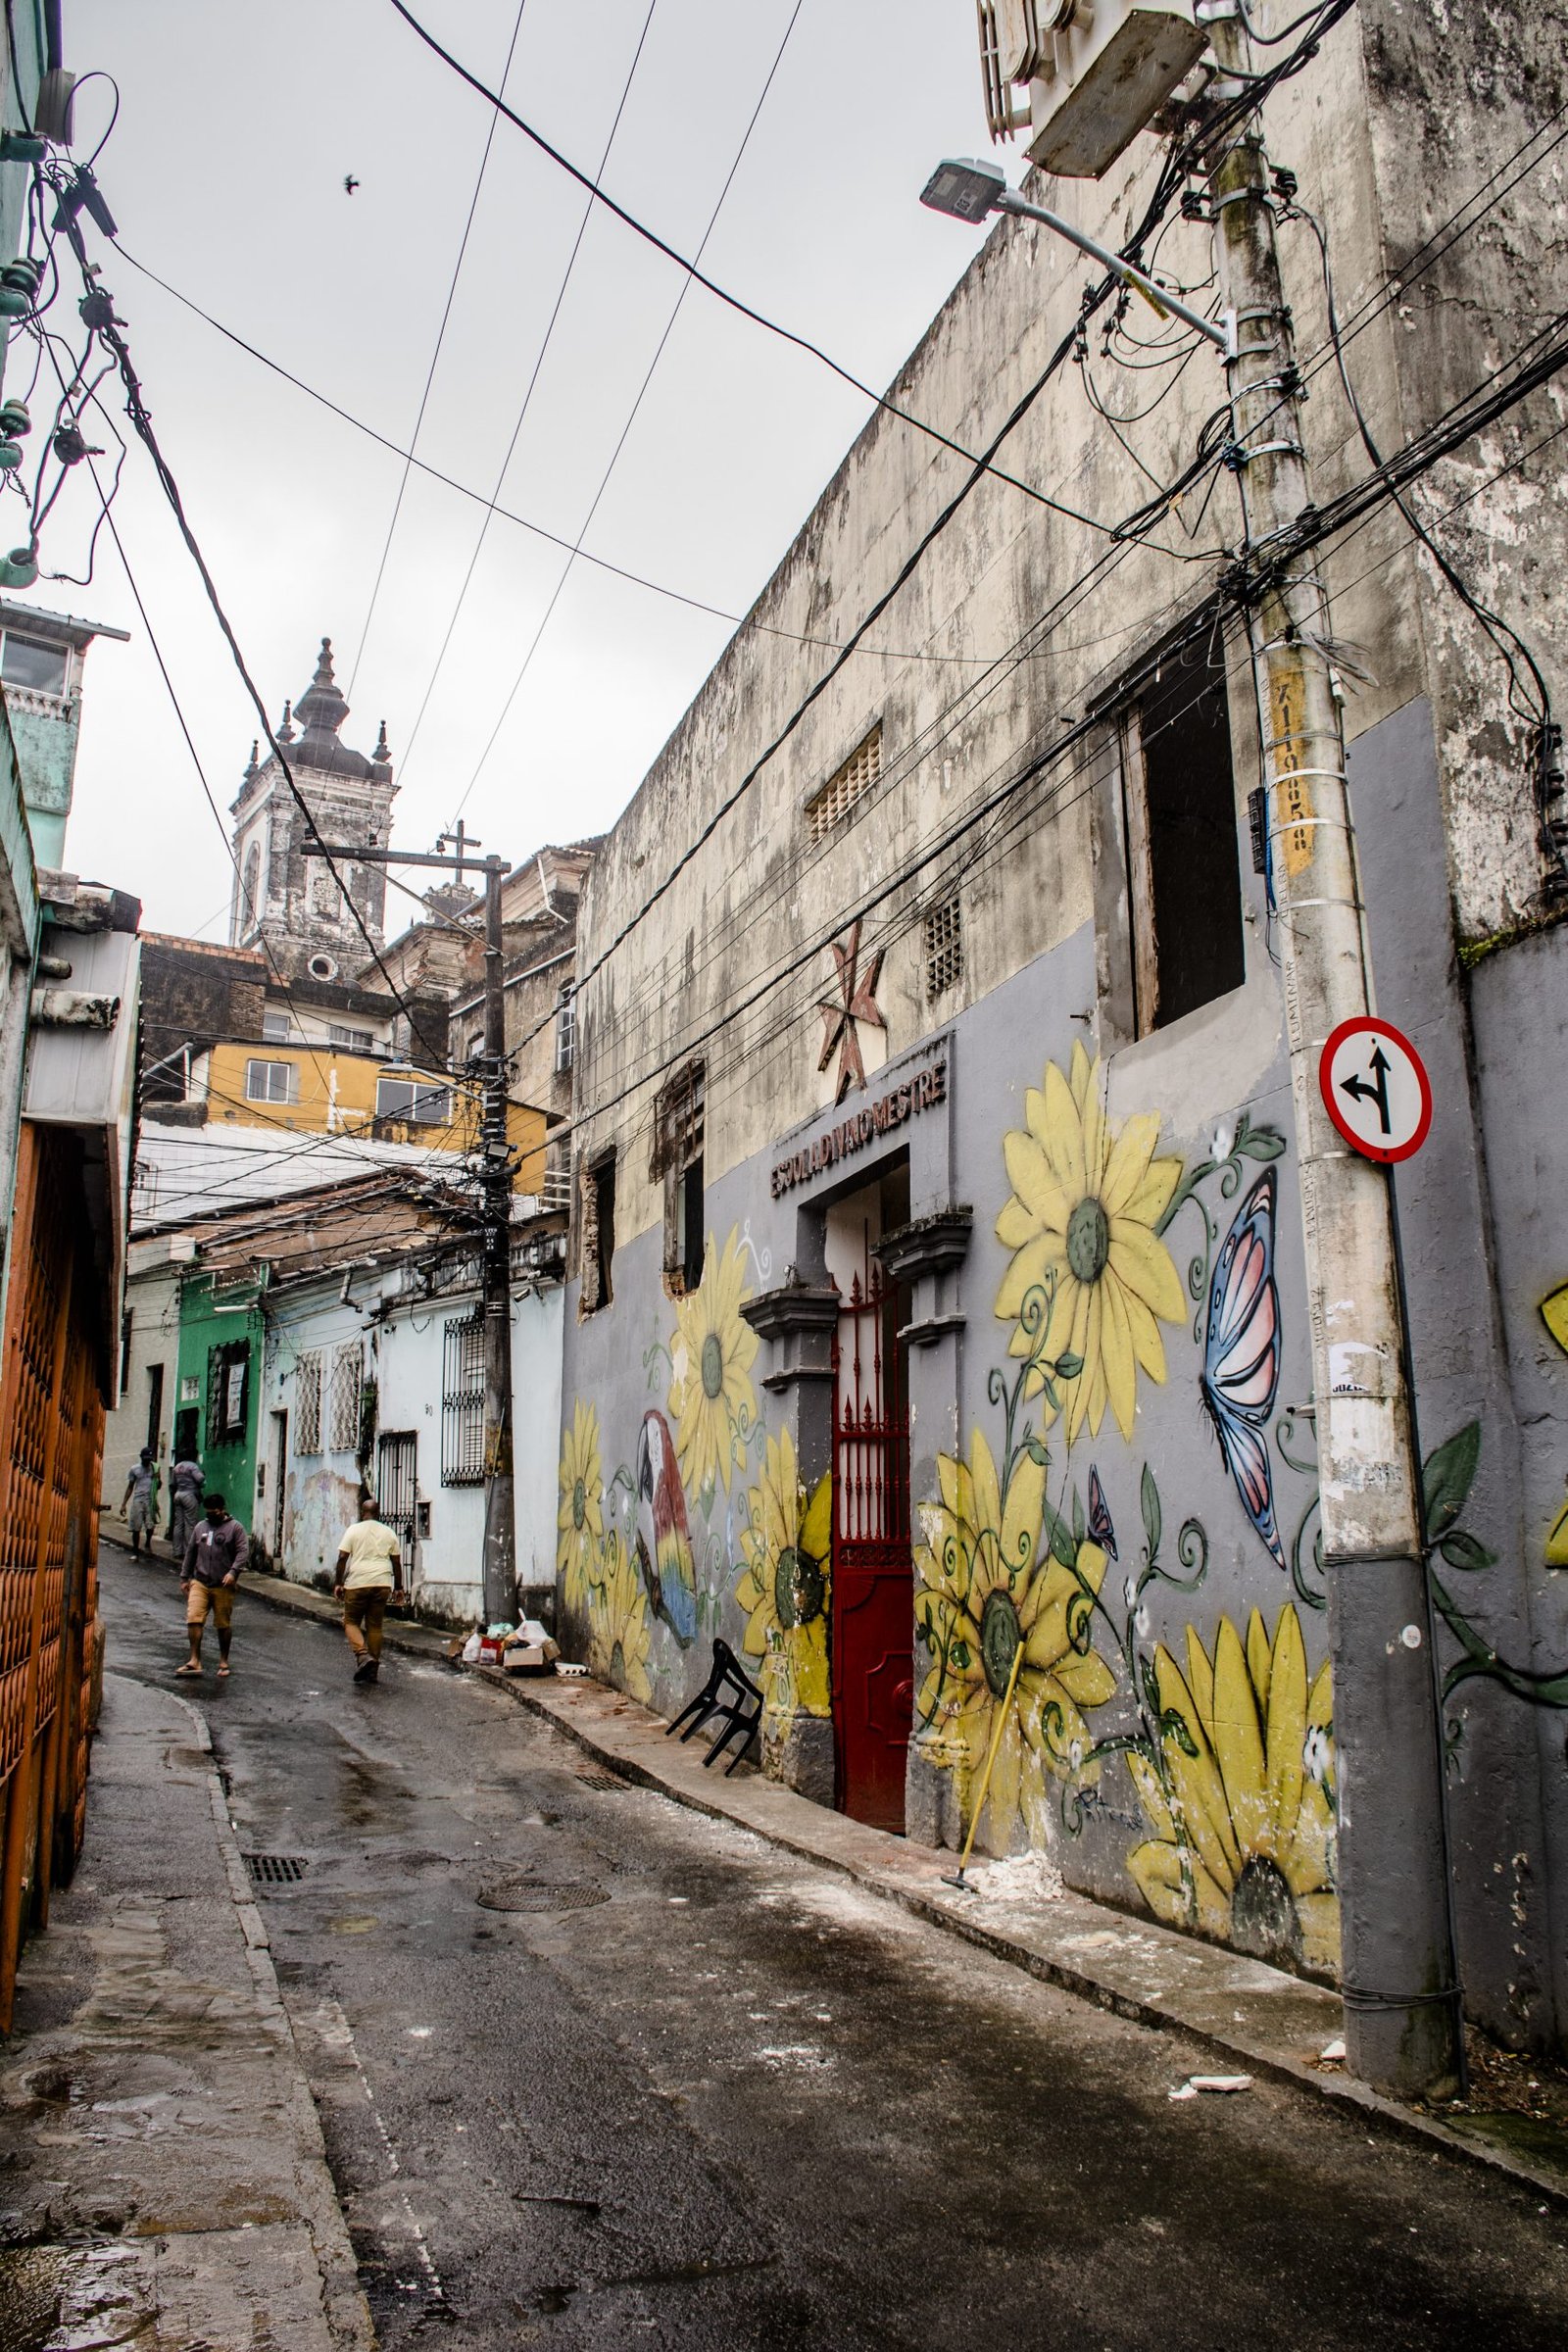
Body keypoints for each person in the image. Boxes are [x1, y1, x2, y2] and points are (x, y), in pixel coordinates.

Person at [332, 1494, 406, 1685]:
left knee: (350, 1622)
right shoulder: (388, 1532)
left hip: (357, 1582)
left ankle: (363, 1656)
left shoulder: (353, 1530)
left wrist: (338, 1583)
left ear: (362, 1512)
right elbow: (396, 1563)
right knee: (375, 1626)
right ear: (378, 1513)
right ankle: (373, 1670)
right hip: (382, 1583)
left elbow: (342, 1558)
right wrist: (399, 1587)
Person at [178, 1493, 247, 1679]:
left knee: (223, 1624)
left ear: (222, 1510)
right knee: (193, 1618)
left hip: (222, 1584)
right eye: (208, 1512)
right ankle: (194, 1659)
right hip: (200, 1581)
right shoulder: (201, 1527)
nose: (210, 1516)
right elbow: (191, 1552)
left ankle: (223, 1660)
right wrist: (185, 1577)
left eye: (214, 1512)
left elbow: (242, 1552)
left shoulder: (235, 1528)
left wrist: (233, 1572)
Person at [122, 1448, 161, 1557]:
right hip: (138, 1499)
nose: (147, 1462)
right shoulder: (135, 1469)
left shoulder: (155, 1468)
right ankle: (135, 1550)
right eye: (145, 1459)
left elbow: (158, 1486)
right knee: (136, 1527)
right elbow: (130, 1487)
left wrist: (157, 1479)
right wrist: (124, 1504)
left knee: (150, 1525)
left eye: (149, 1459)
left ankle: (148, 1543)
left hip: (150, 1499)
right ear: (141, 1458)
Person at [168, 1451, 205, 1563]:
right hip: (189, 1495)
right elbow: (200, 1479)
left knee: (178, 1524)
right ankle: (188, 1552)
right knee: (190, 1524)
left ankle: (177, 1551)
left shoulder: (177, 1467)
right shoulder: (192, 1466)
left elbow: (173, 1483)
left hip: (178, 1494)